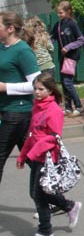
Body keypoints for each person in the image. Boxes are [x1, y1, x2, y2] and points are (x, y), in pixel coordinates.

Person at [15, 73, 81, 236]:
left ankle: (45, 232)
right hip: (35, 156)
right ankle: (69, 206)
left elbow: (54, 137)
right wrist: (23, 155)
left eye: (41, 89)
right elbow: (31, 134)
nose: (37, 92)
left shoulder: (54, 110)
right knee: (36, 193)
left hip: (48, 157)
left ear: (50, 90)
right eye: (35, 89)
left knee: (38, 195)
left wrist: (33, 152)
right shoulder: (36, 107)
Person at [0, 12, 41, 187]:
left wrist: (6, 87)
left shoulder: (22, 50)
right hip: (6, 110)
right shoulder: (3, 48)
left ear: (10, 29)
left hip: (18, 111)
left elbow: (36, 85)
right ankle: (55, 197)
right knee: (33, 158)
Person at [50, 1, 84, 117]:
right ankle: (68, 108)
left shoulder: (72, 24)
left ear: (68, 11)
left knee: (67, 82)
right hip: (62, 57)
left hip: (71, 57)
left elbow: (81, 40)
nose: (59, 15)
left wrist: (68, 47)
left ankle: (79, 106)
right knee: (64, 83)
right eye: (58, 13)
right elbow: (52, 38)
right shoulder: (58, 25)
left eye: (61, 13)